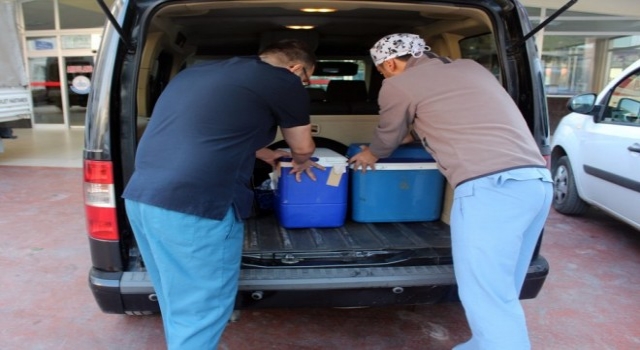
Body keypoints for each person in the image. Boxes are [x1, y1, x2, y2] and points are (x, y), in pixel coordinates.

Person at [349, 33, 553, 349]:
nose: (383, 77)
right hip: (536, 182)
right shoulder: (471, 68)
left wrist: (369, 154)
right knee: (502, 284)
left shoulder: (398, 84)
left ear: (389, 62)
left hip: (490, 189)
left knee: (485, 290)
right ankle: (484, 342)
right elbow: (458, 114)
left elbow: (387, 137)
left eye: (381, 71)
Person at [122, 39, 323, 349]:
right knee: (202, 307)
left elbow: (209, 128)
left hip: (143, 195)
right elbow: (303, 146)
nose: (304, 85)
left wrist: (265, 153)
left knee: (177, 297)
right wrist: (301, 162)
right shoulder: (284, 80)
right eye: (307, 79)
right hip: (196, 204)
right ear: (296, 68)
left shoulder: (195, 74)